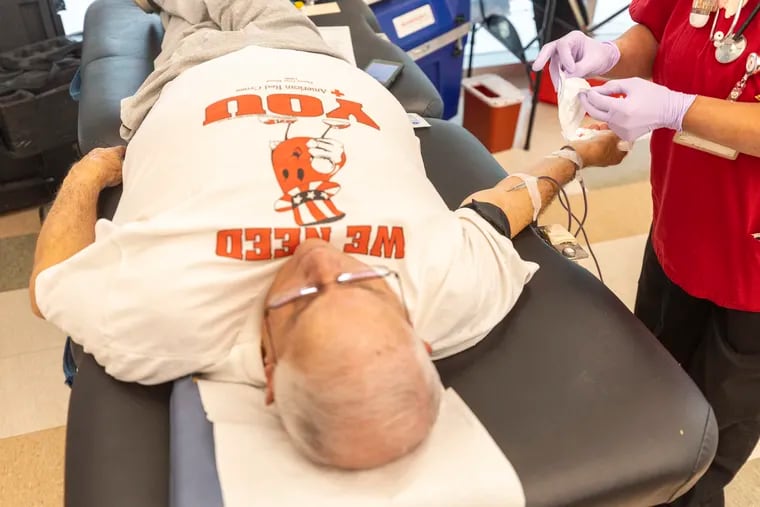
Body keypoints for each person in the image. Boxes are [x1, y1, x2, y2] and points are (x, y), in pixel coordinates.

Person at [29, 0, 627, 471]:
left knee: (189, 20)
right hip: (319, 65)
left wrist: (92, 171)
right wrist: (577, 153)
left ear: (268, 369)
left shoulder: (166, 321)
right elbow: (505, 205)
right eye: (366, 285)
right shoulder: (451, 294)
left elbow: (49, 284)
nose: (321, 256)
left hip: (189, 81)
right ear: (416, 340)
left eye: (301, 299)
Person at [533, 2, 760, 505]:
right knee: (648, 388)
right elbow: (659, 31)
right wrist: (607, 54)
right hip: (682, 224)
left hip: (753, 272)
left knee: (704, 445)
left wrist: (677, 108)